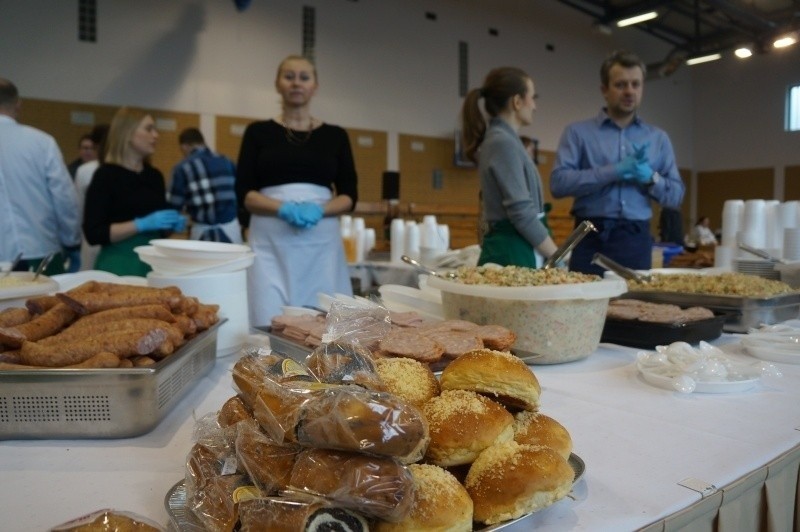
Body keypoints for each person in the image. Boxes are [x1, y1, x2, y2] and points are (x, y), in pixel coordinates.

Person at [236, 54, 358, 326]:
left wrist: (319, 209)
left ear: (315, 86)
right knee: (269, 317)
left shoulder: (336, 136)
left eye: (304, 77)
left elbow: (349, 194)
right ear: (278, 84)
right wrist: (284, 208)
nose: (296, 83)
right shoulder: (258, 133)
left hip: (321, 244)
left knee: (322, 321)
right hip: (270, 242)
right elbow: (245, 192)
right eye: (288, 76)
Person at [550, 50, 685, 276]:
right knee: (584, 308)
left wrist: (651, 178)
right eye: (621, 84)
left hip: (635, 238)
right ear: (604, 89)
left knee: (634, 307)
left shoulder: (658, 139)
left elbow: (676, 196)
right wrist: (614, 171)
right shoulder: (578, 133)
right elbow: (559, 183)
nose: (629, 91)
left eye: (636, 84)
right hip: (588, 235)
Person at [461, 67, 558, 268]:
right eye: (533, 97)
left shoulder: (507, 141)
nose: (535, 106)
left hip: (519, 247)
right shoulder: (502, 142)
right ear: (517, 101)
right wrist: (557, 256)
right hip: (512, 253)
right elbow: (521, 213)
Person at [83, 106, 185, 276]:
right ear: (127, 133)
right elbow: (94, 233)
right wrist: (140, 224)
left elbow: (160, 231)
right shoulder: (106, 175)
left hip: (151, 263)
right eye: (148, 129)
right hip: (118, 265)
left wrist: (171, 225)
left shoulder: (154, 176)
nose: (156, 135)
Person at [0, 77, 81, 276]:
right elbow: (65, 198)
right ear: (18, 105)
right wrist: (72, 242)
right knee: (45, 307)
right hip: (40, 252)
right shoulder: (42, 142)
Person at [168, 127, 242, 243]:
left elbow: (173, 207)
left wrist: (168, 229)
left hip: (201, 233)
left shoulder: (181, 168)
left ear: (184, 146)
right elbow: (241, 194)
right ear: (203, 142)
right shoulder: (227, 161)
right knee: (233, 261)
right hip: (231, 231)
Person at [74, 123, 110, 270]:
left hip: (103, 237)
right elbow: (79, 210)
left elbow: (78, 211)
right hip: (93, 238)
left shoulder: (86, 170)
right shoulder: (85, 171)